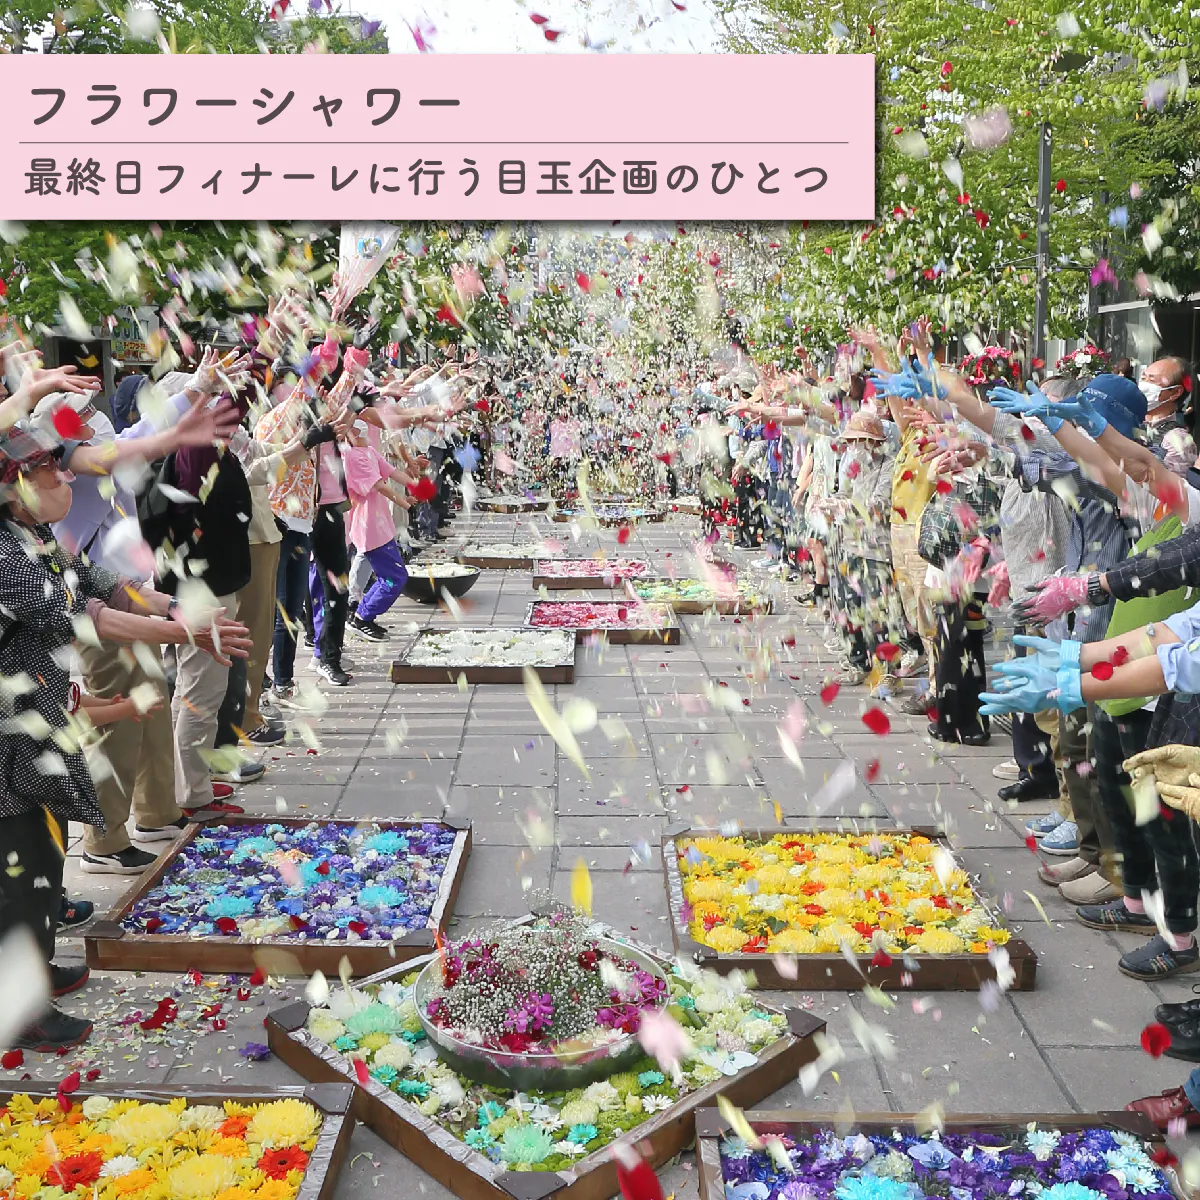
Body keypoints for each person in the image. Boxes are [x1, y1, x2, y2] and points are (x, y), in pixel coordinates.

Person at [0, 423, 250, 1050]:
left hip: (39, 718)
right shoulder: (4, 555)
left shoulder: (32, 535)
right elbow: (92, 618)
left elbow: (98, 583)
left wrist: (173, 609)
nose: (66, 477)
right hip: (10, 730)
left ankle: (38, 966)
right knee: (18, 865)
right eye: (51, 469)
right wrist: (183, 634)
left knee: (45, 855)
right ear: (14, 485)